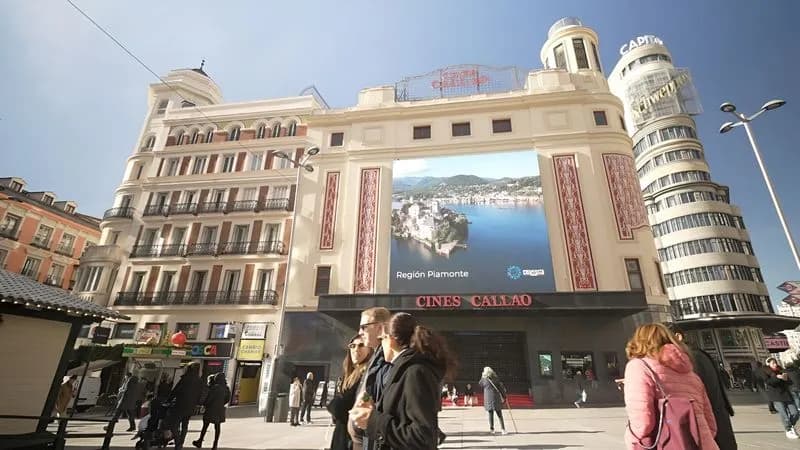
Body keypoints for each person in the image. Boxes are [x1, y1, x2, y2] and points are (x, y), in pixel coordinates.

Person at [349, 312, 456, 449]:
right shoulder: (400, 368)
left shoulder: (415, 372)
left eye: (382, 340)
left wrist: (373, 421)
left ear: (391, 340)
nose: (381, 346)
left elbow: (423, 436)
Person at [622, 323, 718, 450]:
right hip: (702, 444)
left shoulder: (639, 367)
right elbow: (711, 424)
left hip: (666, 444)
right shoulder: (691, 374)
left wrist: (631, 439)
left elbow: (643, 423)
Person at [669, 324, 737, 450]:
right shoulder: (697, 354)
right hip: (715, 422)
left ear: (678, 337)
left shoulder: (691, 358)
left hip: (710, 426)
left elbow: (692, 393)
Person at [349, 306, 392, 450]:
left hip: (374, 441)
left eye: (364, 327)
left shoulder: (387, 360)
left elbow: (383, 401)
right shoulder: (375, 356)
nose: (360, 332)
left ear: (380, 328)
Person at [328, 335, 373, 450]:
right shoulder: (348, 375)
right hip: (341, 434)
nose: (356, 349)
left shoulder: (367, 375)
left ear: (370, 350)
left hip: (353, 439)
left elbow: (339, 407)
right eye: (352, 346)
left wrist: (334, 404)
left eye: (361, 345)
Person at [764, 357, 800, 439]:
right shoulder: (766, 372)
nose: (775, 364)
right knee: (784, 414)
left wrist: (786, 379)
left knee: (795, 413)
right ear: (768, 364)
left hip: (786, 395)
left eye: (775, 362)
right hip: (776, 396)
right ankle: (788, 430)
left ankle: (790, 427)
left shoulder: (782, 370)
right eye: (773, 363)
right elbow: (768, 382)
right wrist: (777, 377)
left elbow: (789, 382)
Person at [192, 372, 230, 449]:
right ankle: (215, 445)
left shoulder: (215, 388)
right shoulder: (226, 388)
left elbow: (209, 398)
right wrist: (221, 403)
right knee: (217, 427)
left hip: (211, 409)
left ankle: (200, 441)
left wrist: (205, 404)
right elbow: (227, 399)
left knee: (205, 426)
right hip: (220, 410)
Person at [170, 362, 203, 449]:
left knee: (174, 425)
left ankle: (178, 441)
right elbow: (200, 394)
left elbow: (175, 390)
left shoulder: (185, 379)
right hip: (191, 407)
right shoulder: (199, 380)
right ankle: (181, 442)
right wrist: (197, 403)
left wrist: (168, 400)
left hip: (180, 405)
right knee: (185, 425)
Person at [479, 366, 508, 435]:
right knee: (499, 414)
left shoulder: (484, 379)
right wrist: (504, 397)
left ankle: (492, 429)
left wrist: (482, 376)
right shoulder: (496, 379)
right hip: (496, 398)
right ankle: (503, 429)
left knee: (490, 414)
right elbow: (501, 389)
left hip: (488, 399)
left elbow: (480, 384)